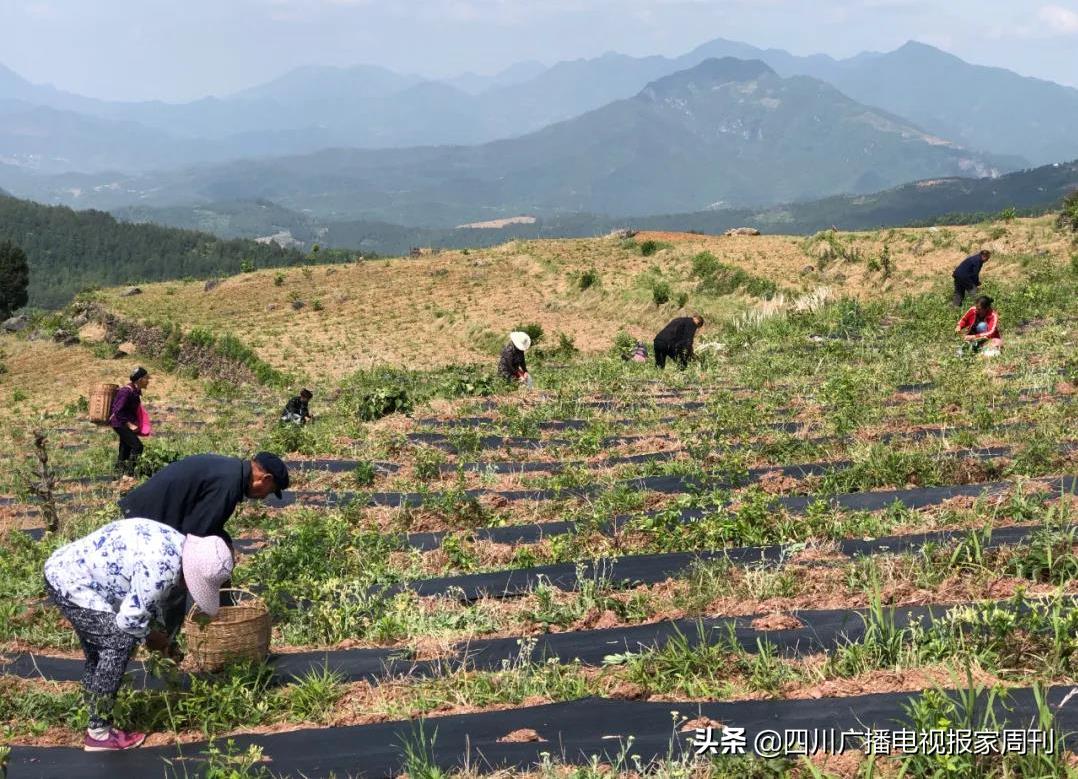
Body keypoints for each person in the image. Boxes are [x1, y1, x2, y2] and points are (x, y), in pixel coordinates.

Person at [44, 519, 232, 751]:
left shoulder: (174, 543)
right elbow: (130, 620)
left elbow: (147, 601)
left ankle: (90, 708)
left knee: (99, 650)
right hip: (72, 581)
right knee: (118, 642)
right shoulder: (162, 569)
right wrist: (152, 638)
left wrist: (162, 637)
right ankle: (99, 733)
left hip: (68, 569)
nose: (187, 588)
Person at [118, 452, 289, 643]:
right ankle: (166, 640)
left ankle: (208, 623)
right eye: (270, 490)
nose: (265, 496)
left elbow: (205, 523)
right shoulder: (228, 484)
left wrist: (225, 544)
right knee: (174, 575)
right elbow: (197, 534)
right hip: (150, 516)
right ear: (265, 479)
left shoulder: (231, 472)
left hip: (157, 512)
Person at [109, 367, 149, 478]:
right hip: (120, 423)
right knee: (137, 446)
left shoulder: (135, 390)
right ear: (140, 379)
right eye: (147, 378)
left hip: (123, 423)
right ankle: (129, 474)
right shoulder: (126, 391)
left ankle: (117, 475)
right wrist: (130, 424)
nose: (148, 381)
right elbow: (118, 411)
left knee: (124, 449)